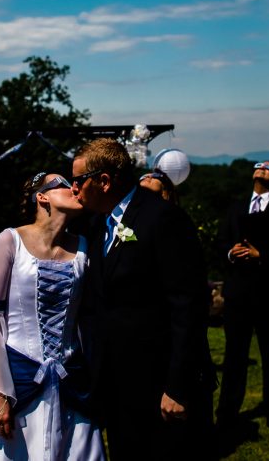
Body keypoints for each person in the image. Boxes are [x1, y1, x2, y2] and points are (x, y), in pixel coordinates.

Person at [72, 138, 214, 459]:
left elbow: (188, 307)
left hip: (159, 385)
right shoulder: (96, 225)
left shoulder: (162, 219)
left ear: (104, 181)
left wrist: (177, 386)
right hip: (116, 386)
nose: (73, 190)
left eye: (79, 181)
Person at [0, 172, 105, 460]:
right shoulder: (9, 241)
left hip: (71, 380)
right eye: (61, 184)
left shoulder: (84, 246)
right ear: (42, 197)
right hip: (17, 378)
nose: (73, 187)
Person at [216, 161, 269, 435]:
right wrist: (231, 253)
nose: (262, 168)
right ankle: (227, 413)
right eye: (259, 165)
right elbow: (220, 242)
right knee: (234, 355)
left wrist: (261, 256)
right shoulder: (235, 207)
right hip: (238, 291)